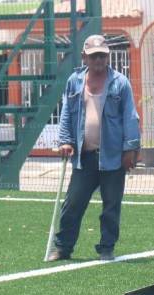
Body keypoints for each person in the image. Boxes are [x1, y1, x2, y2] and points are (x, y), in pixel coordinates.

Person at [48, 34, 141, 262]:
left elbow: (130, 117)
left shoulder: (120, 83)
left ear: (108, 56)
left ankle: (106, 248)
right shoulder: (74, 81)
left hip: (112, 157)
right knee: (72, 205)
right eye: (94, 56)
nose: (98, 60)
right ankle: (63, 248)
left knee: (111, 207)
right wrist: (65, 141)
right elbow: (67, 114)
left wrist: (130, 150)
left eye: (102, 55)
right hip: (84, 157)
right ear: (84, 57)